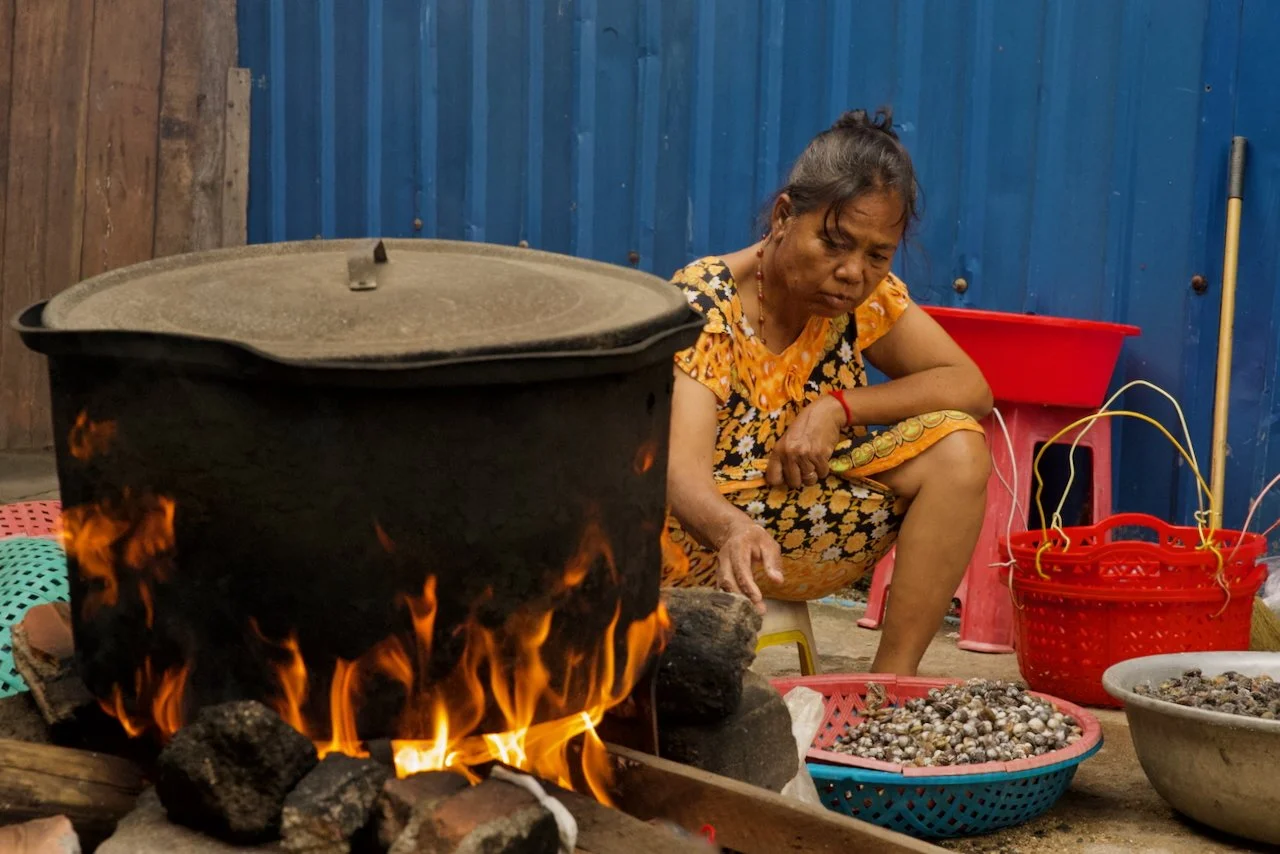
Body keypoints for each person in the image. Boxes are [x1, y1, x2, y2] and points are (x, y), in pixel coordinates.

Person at [662, 107, 993, 677]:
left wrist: (836, 407)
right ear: (785, 215)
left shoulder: (867, 299)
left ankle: (887, 692)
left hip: (806, 531)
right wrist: (733, 529)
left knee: (960, 448)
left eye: (876, 255)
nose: (852, 272)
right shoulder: (707, 299)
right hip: (703, 545)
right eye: (835, 243)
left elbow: (970, 386)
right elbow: (680, 477)